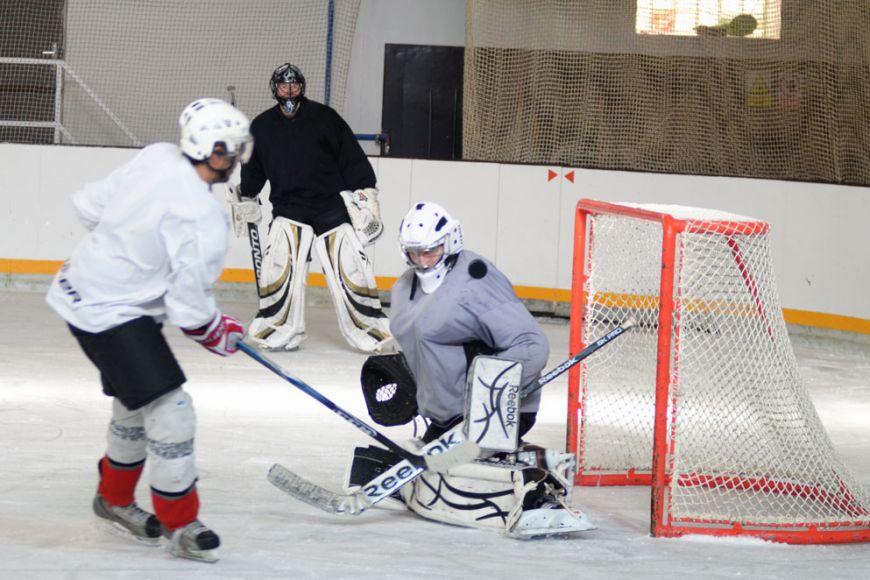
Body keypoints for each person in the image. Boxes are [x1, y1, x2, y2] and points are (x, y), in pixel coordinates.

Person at [45, 98, 253, 563]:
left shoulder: (158, 154)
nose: (236, 160)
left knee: (134, 399)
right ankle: (180, 523)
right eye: (230, 151)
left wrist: (126, 257)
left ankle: (113, 499)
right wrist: (220, 332)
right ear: (210, 149)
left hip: (79, 287)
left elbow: (88, 206)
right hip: (109, 311)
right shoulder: (204, 217)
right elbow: (190, 310)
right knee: (171, 408)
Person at [352, 201, 595, 538]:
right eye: (414, 253)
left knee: (449, 467)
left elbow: (531, 345)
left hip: (496, 412)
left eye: (431, 251)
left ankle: (537, 487)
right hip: (446, 417)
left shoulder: (475, 282)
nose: (423, 261)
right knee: (429, 462)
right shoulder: (405, 286)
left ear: (449, 242)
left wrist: (484, 398)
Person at [229, 62, 391, 353]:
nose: (289, 91)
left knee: (352, 269)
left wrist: (365, 193)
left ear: (302, 87)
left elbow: (352, 159)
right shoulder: (262, 127)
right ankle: (276, 327)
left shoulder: (325, 118)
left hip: (331, 207)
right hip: (289, 208)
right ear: (274, 89)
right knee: (277, 265)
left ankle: (373, 330)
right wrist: (247, 197)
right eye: (283, 85)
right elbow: (252, 174)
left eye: (294, 85)